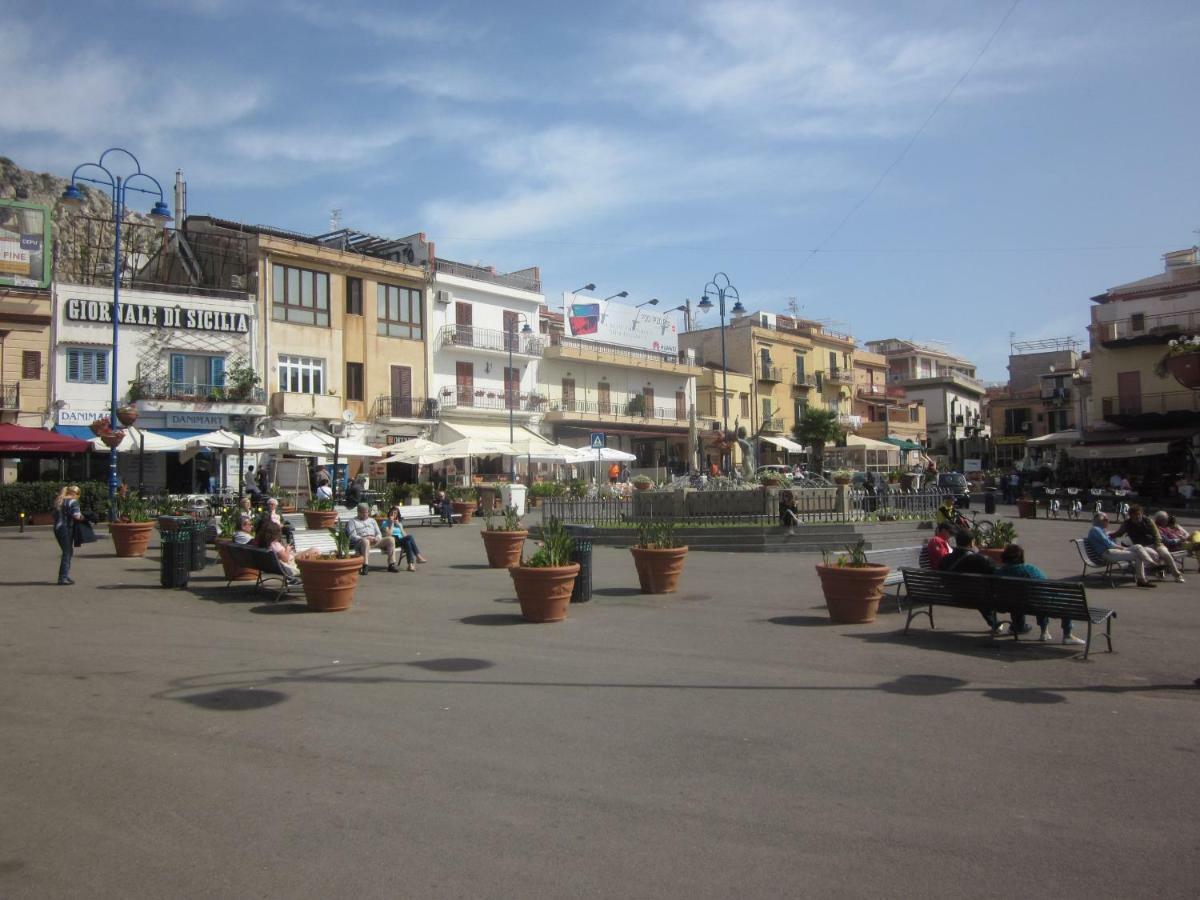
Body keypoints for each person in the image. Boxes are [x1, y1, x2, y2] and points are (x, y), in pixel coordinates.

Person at [997, 544, 1085, 645]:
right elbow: (1044, 588)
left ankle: (1019, 626)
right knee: (1054, 598)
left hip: (1013, 604)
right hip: (1038, 603)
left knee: (1019, 598)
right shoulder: (1030, 570)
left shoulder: (999, 573)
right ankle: (1065, 634)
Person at [938, 528, 1009, 634]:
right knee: (983, 592)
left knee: (976, 591)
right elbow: (997, 577)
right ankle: (1008, 624)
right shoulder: (982, 560)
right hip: (978, 597)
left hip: (953, 595)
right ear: (972, 542)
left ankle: (995, 623)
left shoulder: (946, 559)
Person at [1111, 504, 1183, 583]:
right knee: (1151, 555)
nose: (1137, 517)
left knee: (1166, 554)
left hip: (1156, 544)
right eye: (1135, 515)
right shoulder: (1127, 523)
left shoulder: (1148, 520)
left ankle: (1177, 575)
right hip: (1143, 546)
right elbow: (1119, 533)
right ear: (1130, 516)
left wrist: (1157, 545)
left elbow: (1157, 535)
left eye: (1139, 514)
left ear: (1141, 513)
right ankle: (1155, 570)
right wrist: (1108, 535)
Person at [1085, 512, 1157, 588]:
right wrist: (1123, 548)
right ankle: (1143, 576)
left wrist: (1111, 535)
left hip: (1112, 552)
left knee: (1138, 546)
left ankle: (1149, 563)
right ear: (1099, 521)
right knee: (1138, 555)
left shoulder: (1100, 530)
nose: (1108, 521)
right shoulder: (1095, 530)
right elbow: (1109, 544)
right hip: (1108, 553)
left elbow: (1109, 540)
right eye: (1106, 519)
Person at [344, 502, 397, 574]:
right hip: (361, 542)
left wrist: (377, 538)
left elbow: (379, 533)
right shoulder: (352, 521)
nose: (366, 514)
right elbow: (352, 536)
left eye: (367, 512)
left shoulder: (372, 520)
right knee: (366, 541)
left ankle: (391, 564)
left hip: (374, 540)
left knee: (391, 539)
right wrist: (364, 538)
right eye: (363, 513)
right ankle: (365, 565)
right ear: (358, 512)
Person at [53, 485, 84, 585]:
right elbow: (76, 516)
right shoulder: (73, 502)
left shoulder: (60, 500)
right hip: (66, 528)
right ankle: (63, 577)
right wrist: (85, 517)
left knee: (68, 551)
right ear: (76, 494)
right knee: (67, 552)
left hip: (57, 528)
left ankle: (65, 575)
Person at [383, 506, 427, 570]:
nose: (393, 514)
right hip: (391, 540)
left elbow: (405, 536)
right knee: (409, 538)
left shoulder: (399, 523)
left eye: (395, 513)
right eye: (391, 513)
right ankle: (417, 557)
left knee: (408, 542)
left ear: (397, 515)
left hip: (400, 540)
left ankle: (410, 565)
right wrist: (391, 524)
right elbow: (388, 535)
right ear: (389, 513)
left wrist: (400, 527)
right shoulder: (385, 522)